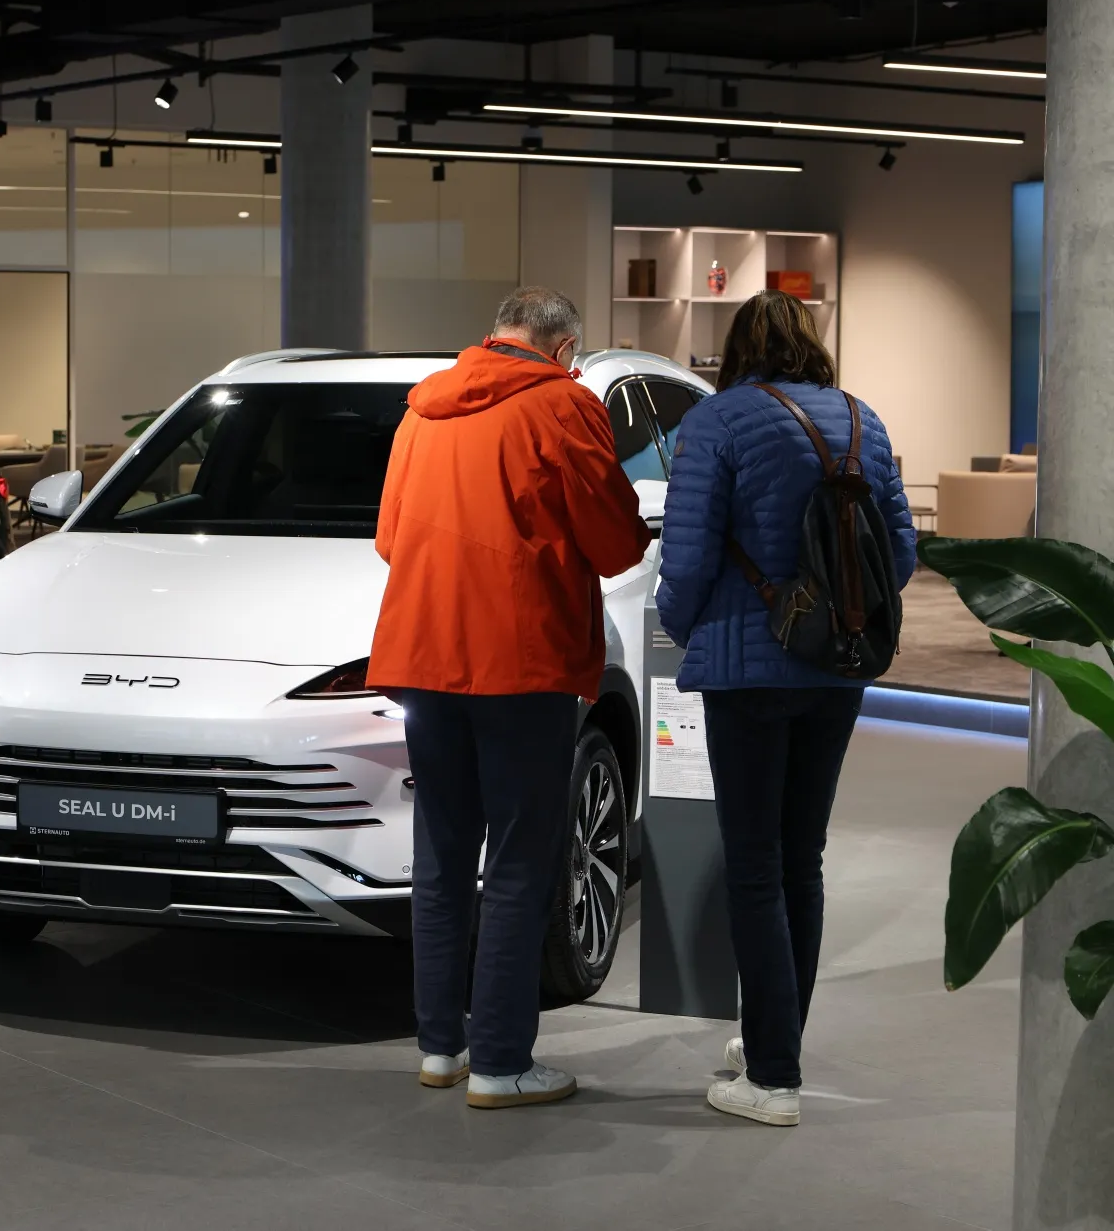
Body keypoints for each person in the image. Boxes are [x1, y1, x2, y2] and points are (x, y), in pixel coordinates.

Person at [371, 286, 653, 1109]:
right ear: (564, 349)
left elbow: (390, 537)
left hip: (424, 658)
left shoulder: (423, 412)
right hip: (523, 663)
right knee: (525, 857)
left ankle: (440, 1048)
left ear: (495, 334)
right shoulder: (562, 407)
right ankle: (500, 1061)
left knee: (442, 855)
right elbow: (612, 540)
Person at [655, 289, 915, 1127]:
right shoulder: (861, 420)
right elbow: (901, 554)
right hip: (836, 667)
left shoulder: (718, 423)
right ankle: (777, 1037)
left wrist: (684, 625)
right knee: (802, 860)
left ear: (740, 346)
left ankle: (771, 1076)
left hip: (745, 667)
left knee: (756, 865)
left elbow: (688, 557)